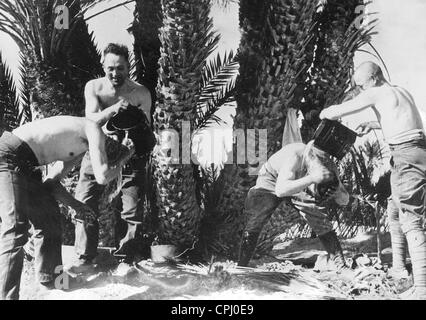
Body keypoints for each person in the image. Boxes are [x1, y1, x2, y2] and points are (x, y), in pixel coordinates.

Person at [320, 61, 426, 299]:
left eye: (361, 85)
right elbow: (403, 120)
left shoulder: (376, 92)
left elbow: (336, 111)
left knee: (410, 218)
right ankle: (399, 270)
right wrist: (373, 123)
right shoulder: (400, 91)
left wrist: (324, 113)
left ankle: (422, 288)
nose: (360, 90)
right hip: (416, 151)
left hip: (406, 154)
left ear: (374, 78)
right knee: (394, 211)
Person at [0, 116, 134, 300]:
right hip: (8, 156)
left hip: (28, 167)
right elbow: (102, 177)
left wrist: (77, 206)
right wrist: (125, 157)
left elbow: (50, 183)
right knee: (15, 229)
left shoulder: (82, 147)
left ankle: (52, 280)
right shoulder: (93, 128)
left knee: (50, 219)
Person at [68, 43, 153, 274]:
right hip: (98, 146)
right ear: (103, 66)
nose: (115, 74)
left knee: (132, 205)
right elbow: (91, 121)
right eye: (110, 68)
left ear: (128, 67)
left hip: (130, 148)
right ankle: (86, 257)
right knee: (84, 198)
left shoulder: (141, 93)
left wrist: (133, 147)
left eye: (120, 68)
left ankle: (127, 258)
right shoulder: (93, 87)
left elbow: (146, 129)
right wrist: (116, 108)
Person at [238, 141, 350, 271]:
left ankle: (340, 265)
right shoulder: (296, 155)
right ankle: (241, 266)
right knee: (257, 216)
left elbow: (345, 200)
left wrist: (336, 191)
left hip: (301, 181)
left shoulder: (330, 168)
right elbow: (281, 190)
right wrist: (312, 178)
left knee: (317, 215)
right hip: (272, 176)